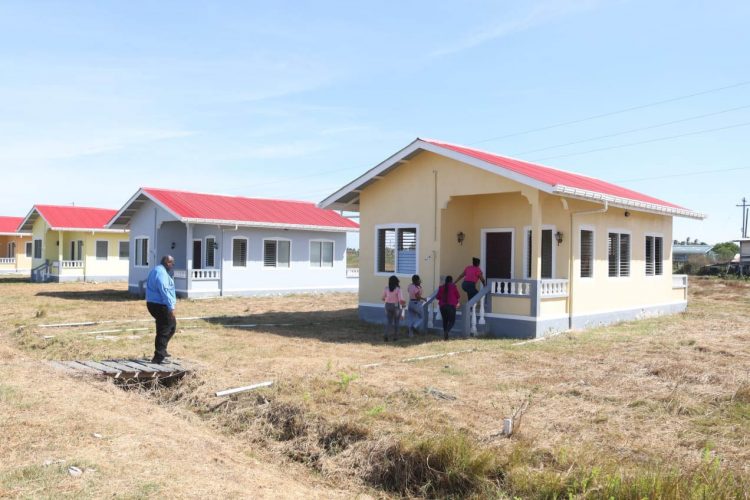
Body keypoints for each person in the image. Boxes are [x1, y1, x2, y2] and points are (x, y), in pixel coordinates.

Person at [146, 255, 177, 364]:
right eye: (172, 263)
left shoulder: (157, 270)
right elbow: (165, 291)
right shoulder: (161, 273)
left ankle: (162, 350)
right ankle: (158, 357)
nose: (173, 265)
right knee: (164, 329)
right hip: (160, 305)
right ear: (167, 262)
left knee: (172, 326)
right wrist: (171, 307)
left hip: (153, 303)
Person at [381, 275, 406, 341]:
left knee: (389, 321)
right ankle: (395, 337)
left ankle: (386, 335)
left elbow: (383, 298)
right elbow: (400, 300)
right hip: (396, 306)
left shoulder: (386, 288)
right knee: (396, 322)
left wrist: (388, 300)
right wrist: (404, 304)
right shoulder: (398, 289)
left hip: (387, 305)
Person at [437, 275, 460, 341]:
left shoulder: (441, 287)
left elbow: (438, 297)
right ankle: (447, 331)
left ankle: (445, 337)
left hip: (442, 306)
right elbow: (458, 295)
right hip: (451, 306)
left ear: (446, 281)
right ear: (451, 281)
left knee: (445, 321)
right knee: (452, 321)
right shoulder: (453, 286)